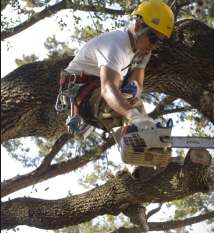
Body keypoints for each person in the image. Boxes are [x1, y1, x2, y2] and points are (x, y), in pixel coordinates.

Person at [58, 0, 174, 136]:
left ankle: (144, 143)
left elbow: (138, 85)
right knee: (127, 112)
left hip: (98, 89)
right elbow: (108, 89)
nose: (153, 46)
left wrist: (134, 89)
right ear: (138, 26)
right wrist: (134, 117)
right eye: (153, 38)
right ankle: (136, 134)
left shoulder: (140, 54)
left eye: (159, 42)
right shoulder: (116, 44)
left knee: (134, 104)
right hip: (81, 91)